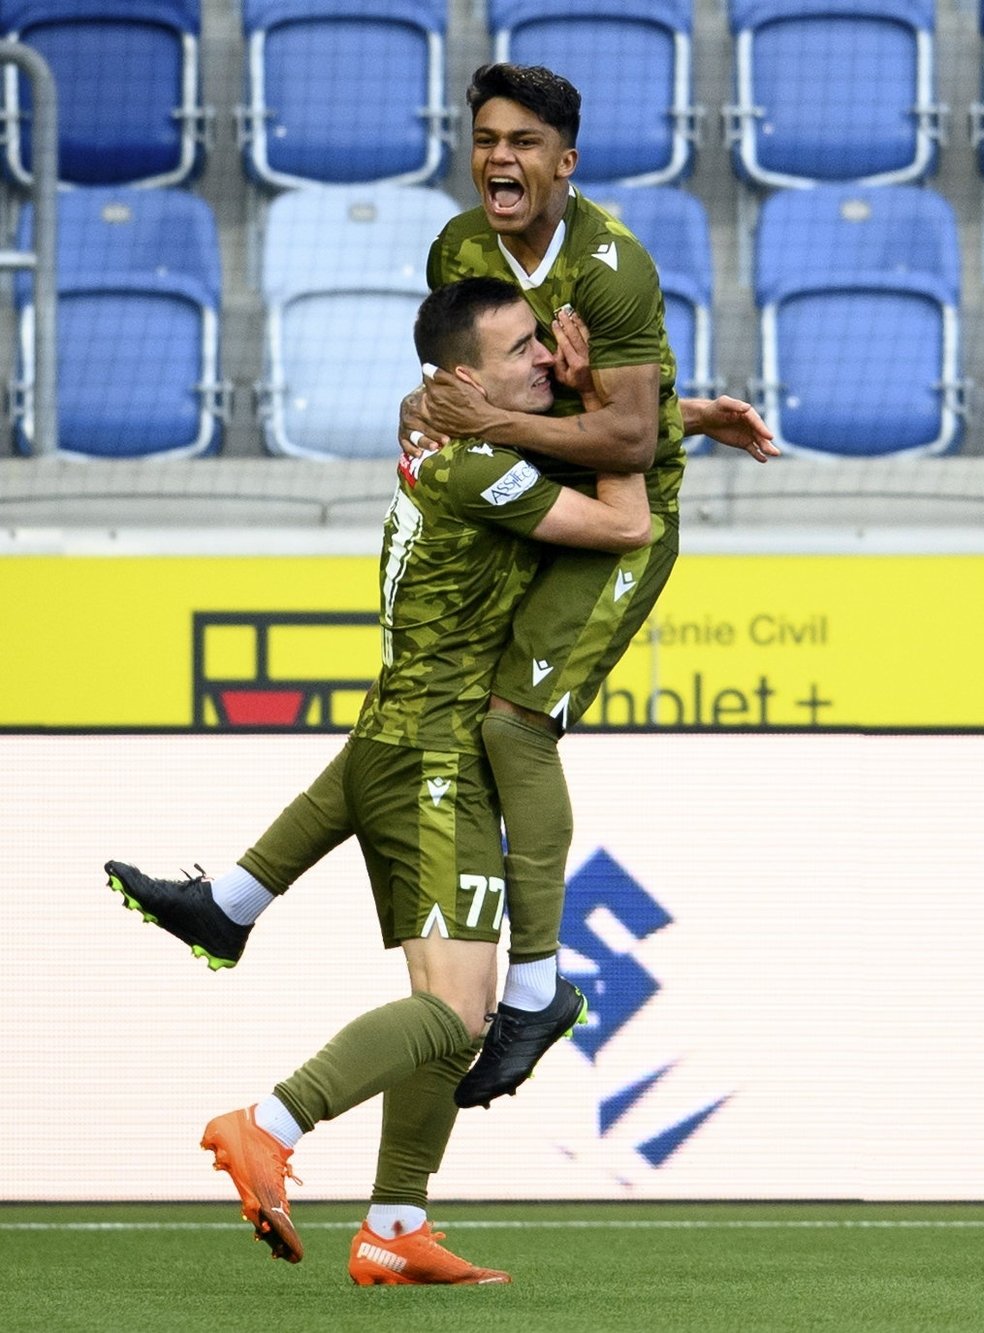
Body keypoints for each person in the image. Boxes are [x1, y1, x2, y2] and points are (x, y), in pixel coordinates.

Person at [106, 63, 775, 1109]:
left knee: (509, 728)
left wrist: (533, 424)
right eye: (486, 139)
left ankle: (539, 989)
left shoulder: (614, 270)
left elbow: (625, 442)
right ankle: (233, 903)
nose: (499, 159)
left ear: (566, 160)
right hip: (525, 490)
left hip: (620, 514)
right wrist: (437, 417)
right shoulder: (460, 248)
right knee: (420, 702)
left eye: (522, 143)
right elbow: (454, 383)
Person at [202, 277, 652, 1283]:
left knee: (455, 1005)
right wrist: (610, 416)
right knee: (455, 1015)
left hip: (417, 741)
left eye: (542, 340)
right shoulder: (481, 462)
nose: (543, 355)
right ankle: (267, 1123)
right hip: (437, 757)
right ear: (460, 381)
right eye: (519, 350)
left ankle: (394, 1226)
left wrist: (586, 400)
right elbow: (626, 519)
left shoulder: (447, 432)